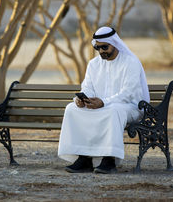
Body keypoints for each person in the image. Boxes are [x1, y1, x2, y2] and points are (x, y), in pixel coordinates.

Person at [58, 26, 150, 174]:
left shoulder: (130, 62)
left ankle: (109, 160)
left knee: (112, 110)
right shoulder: (93, 64)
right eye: (97, 48)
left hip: (129, 107)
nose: (101, 51)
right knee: (72, 108)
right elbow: (87, 87)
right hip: (101, 106)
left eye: (104, 47)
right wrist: (81, 99)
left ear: (114, 43)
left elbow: (127, 93)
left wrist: (104, 102)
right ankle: (84, 158)